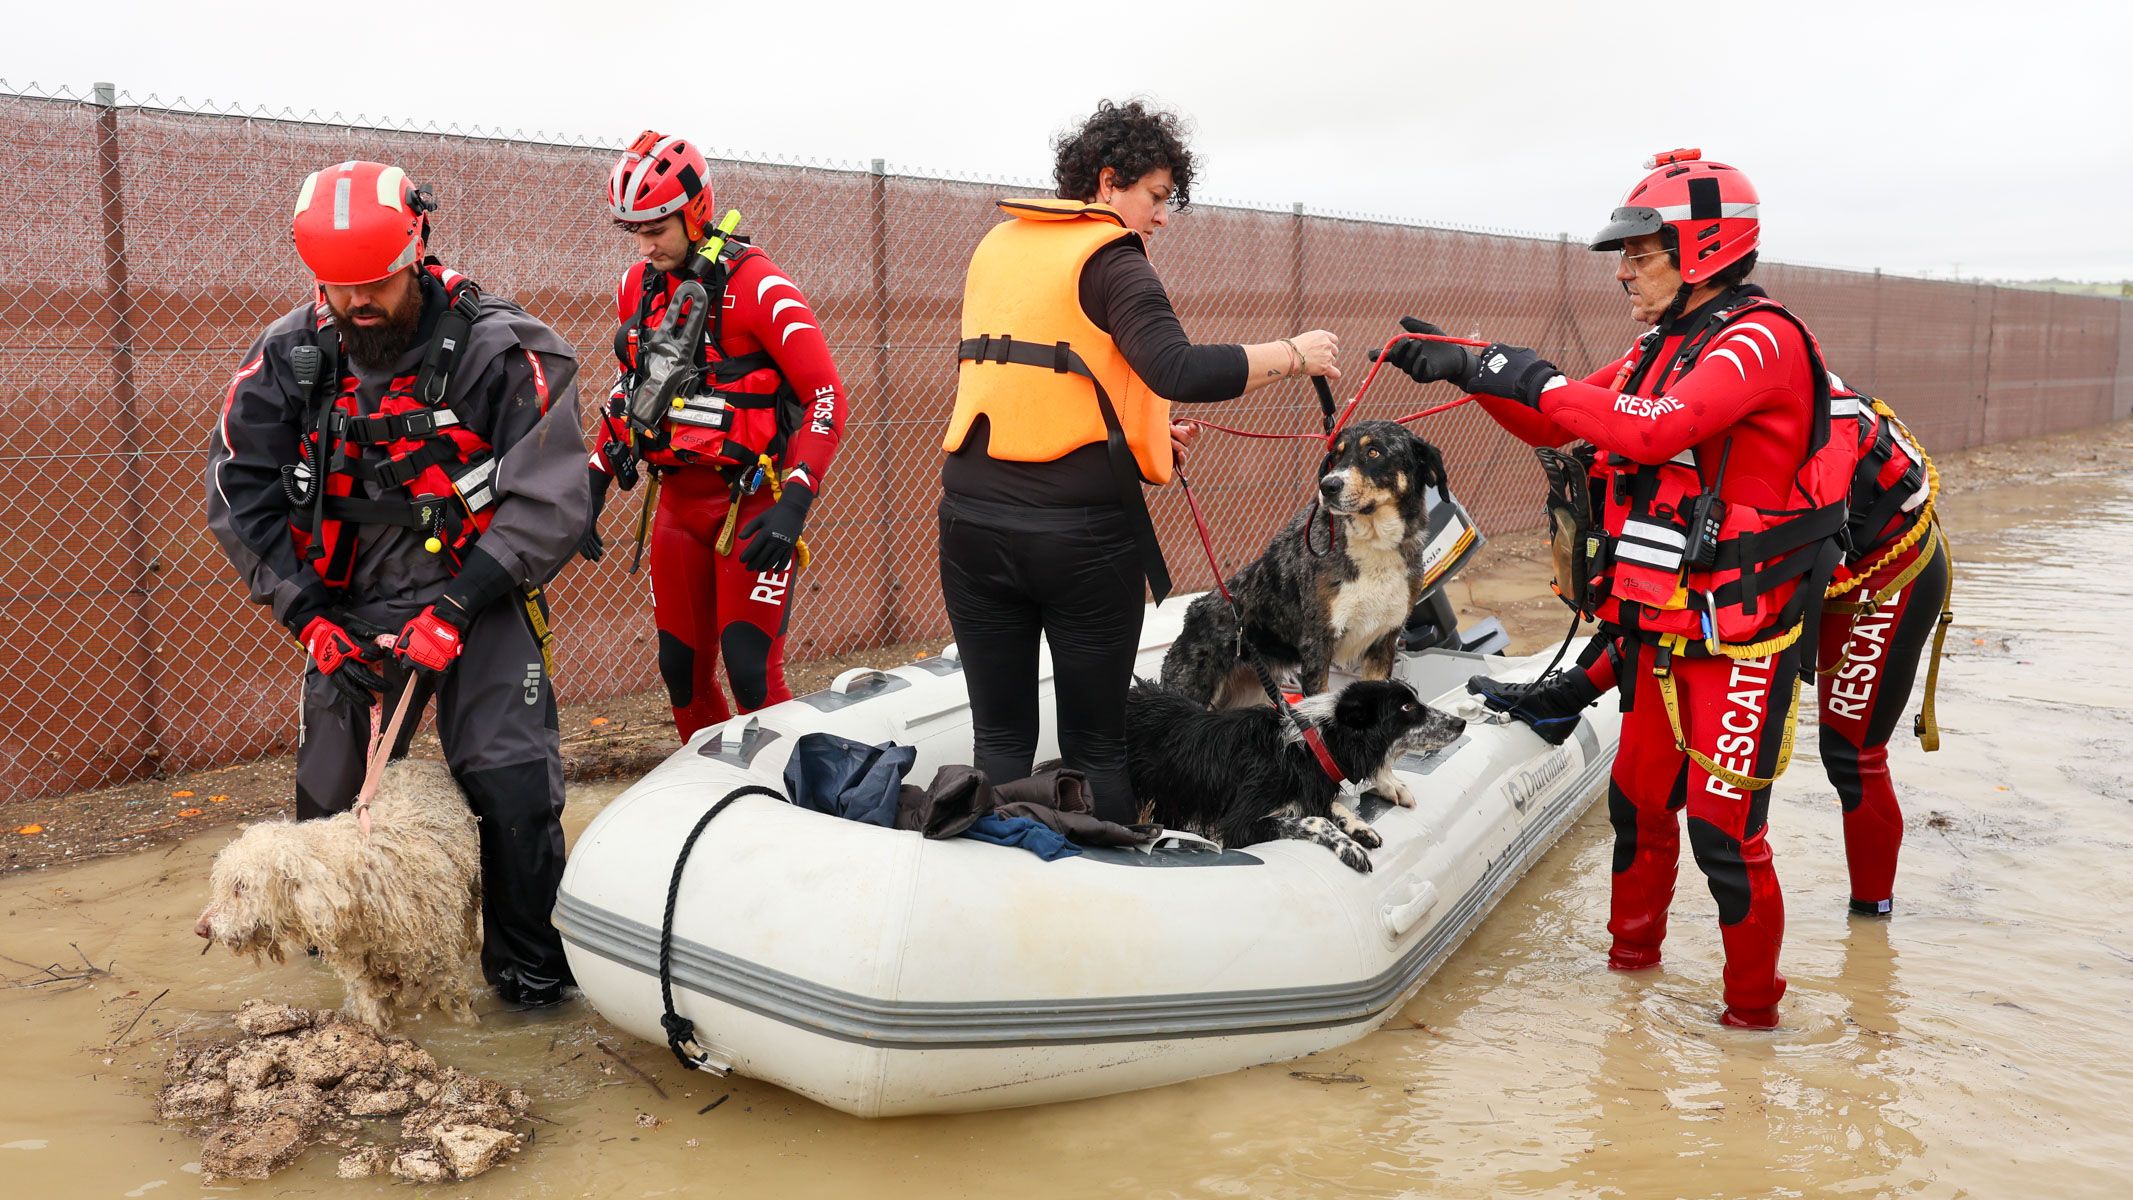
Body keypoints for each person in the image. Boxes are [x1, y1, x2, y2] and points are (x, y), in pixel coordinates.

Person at [1375, 150, 1851, 1028]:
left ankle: (1751, 1029)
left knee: (1723, 837)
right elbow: (1552, 415)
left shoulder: (1759, 340)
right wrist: (1470, 364)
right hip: (1657, 633)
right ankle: (1626, 1000)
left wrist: (1527, 372)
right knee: (1635, 812)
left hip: (1738, 647)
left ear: (1701, 248)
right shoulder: (1660, 345)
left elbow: (1655, 431)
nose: (1623, 271)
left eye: (1639, 253)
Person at [205, 160, 588, 1006]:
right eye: (340, 287)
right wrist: (306, 617)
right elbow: (239, 492)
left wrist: (456, 607)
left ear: (417, 247)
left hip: (477, 593)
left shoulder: (503, 349)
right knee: (329, 798)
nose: (360, 302)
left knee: (511, 783)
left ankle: (531, 985)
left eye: (376, 280)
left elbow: (553, 498)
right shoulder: (287, 355)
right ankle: (343, 988)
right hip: (347, 606)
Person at [940, 99, 1341, 825]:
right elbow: (1176, 367)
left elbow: (1039, 378)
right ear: (1107, 182)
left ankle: (990, 877)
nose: (1161, 217)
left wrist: (1145, 435)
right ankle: (1102, 900)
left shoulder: (998, 246)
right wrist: (1292, 356)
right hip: (1077, 542)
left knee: (997, 738)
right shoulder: (1113, 259)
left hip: (969, 527)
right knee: (1096, 748)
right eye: (1156, 198)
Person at [582, 131, 846, 741]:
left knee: (751, 669)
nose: (644, 246)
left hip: (751, 503)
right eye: (634, 232)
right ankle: (717, 795)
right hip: (677, 501)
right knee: (681, 672)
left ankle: (796, 800)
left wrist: (795, 504)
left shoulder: (761, 286)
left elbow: (826, 395)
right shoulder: (638, 286)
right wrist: (595, 475)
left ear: (696, 211)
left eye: (656, 229)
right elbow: (633, 387)